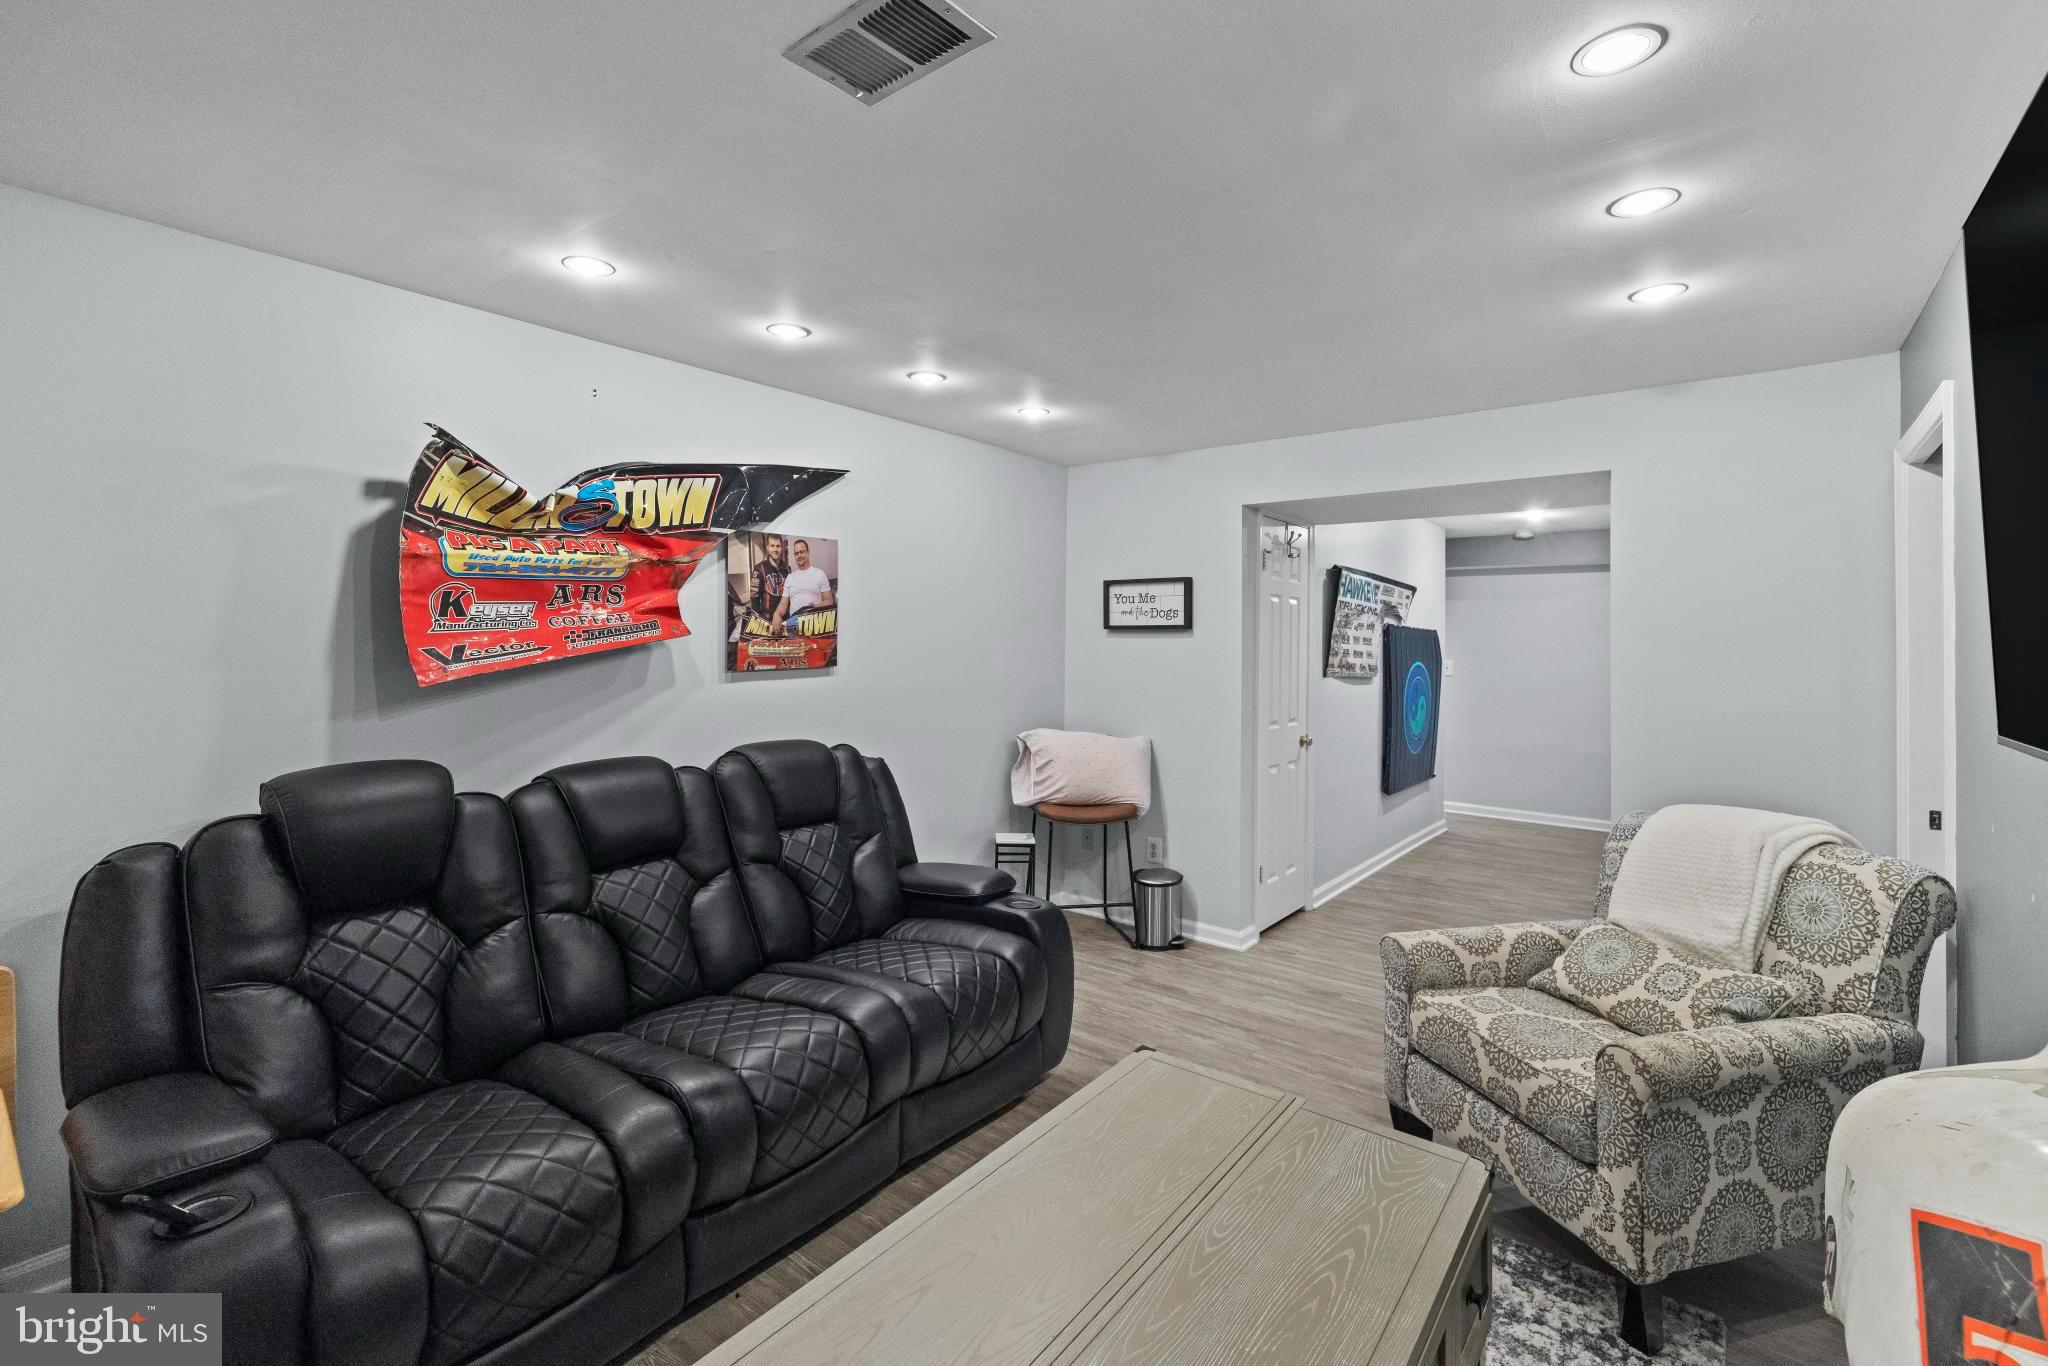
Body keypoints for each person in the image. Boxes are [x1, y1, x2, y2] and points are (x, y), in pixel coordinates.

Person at [772, 537, 835, 633]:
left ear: (808, 553)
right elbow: (783, 604)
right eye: (796, 553)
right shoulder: (790, 578)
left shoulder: (820, 574)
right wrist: (776, 614)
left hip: (815, 626)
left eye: (802, 552)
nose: (799, 555)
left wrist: (818, 606)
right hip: (794, 627)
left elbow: (829, 600)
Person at [747, 534, 788, 622]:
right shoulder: (759, 569)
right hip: (766, 620)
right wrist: (760, 621)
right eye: (772, 546)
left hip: (784, 620)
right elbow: (754, 598)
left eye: (778, 546)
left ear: (782, 548)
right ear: (768, 547)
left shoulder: (787, 569)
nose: (775, 549)